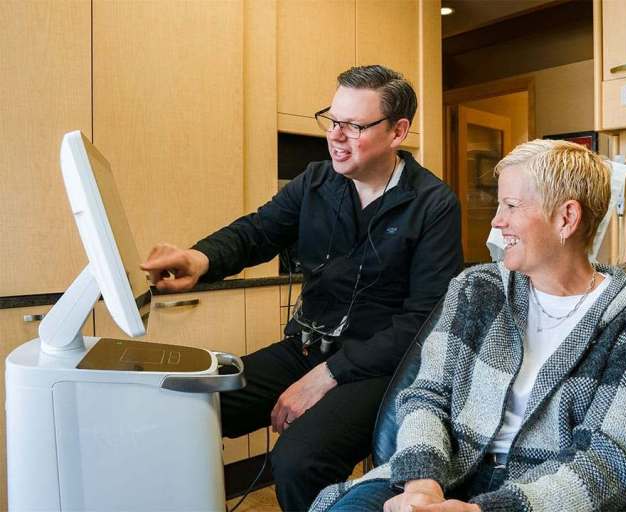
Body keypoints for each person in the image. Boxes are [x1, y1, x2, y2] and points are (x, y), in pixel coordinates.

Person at [140, 65, 463, 511]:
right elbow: (256, 232)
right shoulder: (316, 180)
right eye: (333, 120)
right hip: (307, 346)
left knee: (297, 460)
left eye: (354, 125)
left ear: (397, 132)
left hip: (379, 369)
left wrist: (326, 379)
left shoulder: (433, 204)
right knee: (191, 407)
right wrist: (200, 259)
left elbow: (423, 320)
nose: (336, 135)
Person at [311, 139, 626, 512]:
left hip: (541, 496)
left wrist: (483, 510)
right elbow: (427, 395)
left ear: (566, 217)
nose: (497, 221)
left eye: (511, 206)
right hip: (444, 470)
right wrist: (423, 486)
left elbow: (610, 462)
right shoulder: (476, 289)